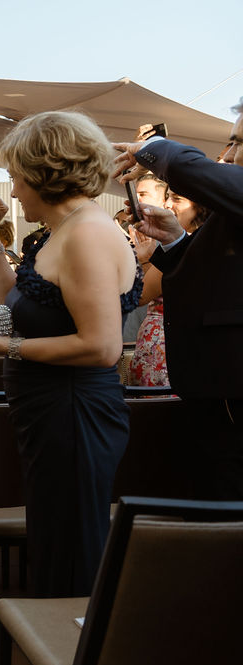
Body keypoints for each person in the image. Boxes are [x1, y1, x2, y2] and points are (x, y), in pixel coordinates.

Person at [0, 111, 142, 598]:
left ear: (44, 172)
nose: (14, 191)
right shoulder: (60, 233)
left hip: (74, 413)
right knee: (55, 539)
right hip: (50, 412)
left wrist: (5, 347)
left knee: (72, 548)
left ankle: (71, 657)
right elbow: (10, 301)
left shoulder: (88, 234)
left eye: (17, 178)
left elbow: (102, 347)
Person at [112, 97, 243, 500]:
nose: (227, 154)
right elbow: (218, 278)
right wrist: (174, 240)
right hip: (214, 390)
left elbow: (198, 170)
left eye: (238, 142)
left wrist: (155, 148)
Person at [128, 194, 208, 386]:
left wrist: (144, 259)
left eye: (177, 198)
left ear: (199, 207)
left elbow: (141, 295)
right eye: (167, 197)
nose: (167, 204)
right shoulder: (194, 243)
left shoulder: (184, 247)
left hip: (164, 344)